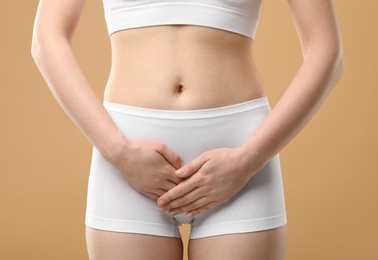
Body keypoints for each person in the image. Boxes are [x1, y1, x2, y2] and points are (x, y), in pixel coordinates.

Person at [31, 0, 344, 259]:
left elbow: (326, 53)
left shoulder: (245, 161)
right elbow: (47, 38)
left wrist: (249, 159)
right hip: (127, 153)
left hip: (239, 154)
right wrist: (118, 152)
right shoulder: (121, 154)